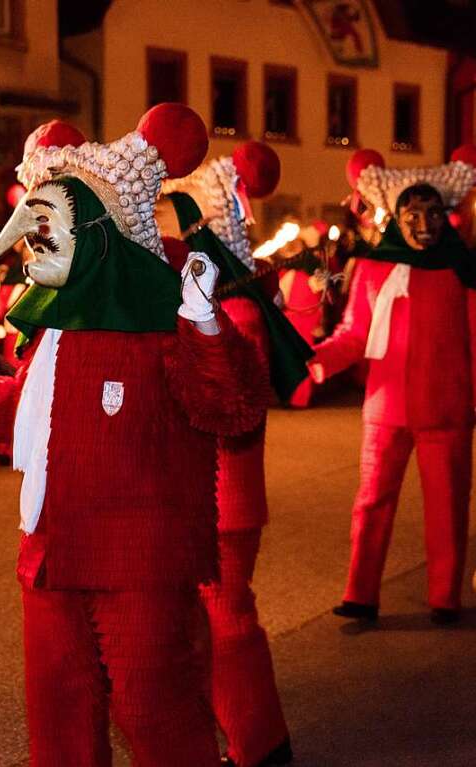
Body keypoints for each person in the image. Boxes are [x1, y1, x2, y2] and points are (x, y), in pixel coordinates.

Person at [0, 104, 268, 766]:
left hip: (140, 561)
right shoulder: (59, 319)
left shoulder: (165, 304)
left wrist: (203, 326)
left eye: (44, 229)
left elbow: (231, 407)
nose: (31, 246)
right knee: (59, 719)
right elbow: (34, 416)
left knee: (159, 714)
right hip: (53, 551)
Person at [159, 140, 311, 767]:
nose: (153, 224)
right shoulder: (209, 292)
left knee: (226, 619)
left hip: (223, 496)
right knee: (208, 621)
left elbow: (228, 400)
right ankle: (245, 736)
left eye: (166, 215)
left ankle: (260, 742)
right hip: (205, 492)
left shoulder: (234, 304)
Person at [310, 147, 476, 624]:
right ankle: (360, 593)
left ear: (445, 218)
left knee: (447, 508)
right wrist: (314, 360)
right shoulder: (374, 268)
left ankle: (444, 596)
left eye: (431, 214)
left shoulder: (459, 271)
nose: (423, 224)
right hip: (386, 409)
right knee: (371, 503)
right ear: (396, 220)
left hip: (447, 408)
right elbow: (354, 335)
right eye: (412, 215)